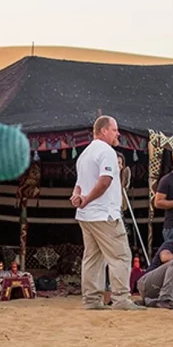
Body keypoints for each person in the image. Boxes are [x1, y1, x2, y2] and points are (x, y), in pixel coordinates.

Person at [70, 116, 144, 310]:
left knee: (93, 258)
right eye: (114, 130)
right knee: (121, 256)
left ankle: (92, 300)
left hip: (86, 216)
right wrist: (85, 199)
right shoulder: (107, 152)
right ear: (103, 130)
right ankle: (121, 299)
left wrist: (77, 197)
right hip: (104, 214)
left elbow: (79, 184)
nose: (117, 133)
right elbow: (104, 182)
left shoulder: (84, 154)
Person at [137, 219, 173, 309]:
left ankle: (150, 302)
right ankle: (164, 299)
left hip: (164, 290)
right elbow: (164, 256)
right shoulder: (171, 244)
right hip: (147, 283)